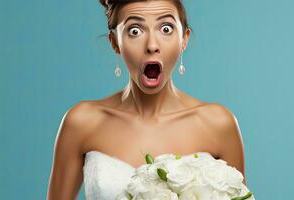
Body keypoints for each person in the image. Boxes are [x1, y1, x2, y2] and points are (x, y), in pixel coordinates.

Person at [47, 0, 247, 199]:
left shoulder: (219, 124)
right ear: (115, 42)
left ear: (184, 38)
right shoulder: (82, 122)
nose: (152, 45)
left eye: (166, 28)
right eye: (135, 31)